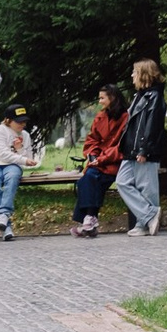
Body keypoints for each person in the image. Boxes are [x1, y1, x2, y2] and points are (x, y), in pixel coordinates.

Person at [117, 60, 167, 237]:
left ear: (144, 74)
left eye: (135, 72)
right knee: (122, 182)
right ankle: (148, 216)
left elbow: (153, 126)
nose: (132, 75)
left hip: (144, 150)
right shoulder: (140, 96)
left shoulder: (155, 97)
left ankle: (144, 224)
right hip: (131, 150)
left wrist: (144, 150)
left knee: (146, 188)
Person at [70, 84, 127, 237]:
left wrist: (101, 159)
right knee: (88, 179)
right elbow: (92, 140)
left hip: (116, 162)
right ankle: (90, 221)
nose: (99, 101)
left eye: (102, 98)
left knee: (91, 179)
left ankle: (88, 220)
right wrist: (92, 156)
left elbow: (122, 147)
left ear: (112, 98)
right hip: (100, 161)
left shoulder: (125, 117)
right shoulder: (100, 116)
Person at [0, 105, 36, 242]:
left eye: (24, 121)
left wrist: (20, 149)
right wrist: (23, 158)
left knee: (12, 178)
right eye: (19, 121)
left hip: (13, 165)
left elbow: (29, 158)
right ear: (8, 120)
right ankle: (6, 227)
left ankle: (3, 215)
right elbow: (3, 154)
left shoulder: (25, 135)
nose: (22, 124)